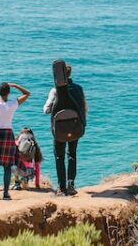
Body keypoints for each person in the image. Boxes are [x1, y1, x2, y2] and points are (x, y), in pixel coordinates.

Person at [44, 63, 88, 196]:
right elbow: (82, 106)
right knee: (72, 155)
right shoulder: (79, 88)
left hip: (59, 130)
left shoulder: (54, 91)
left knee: (59, 156)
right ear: (70, 74)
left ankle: (61, 188)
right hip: (75, 127)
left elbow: (46, 110)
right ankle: (71, 184)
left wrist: (53, 107)